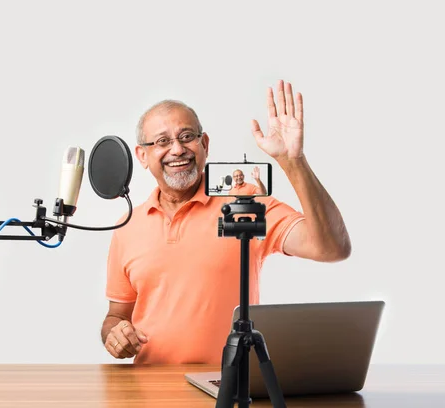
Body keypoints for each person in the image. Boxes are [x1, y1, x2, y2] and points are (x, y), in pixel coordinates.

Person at [101, 80, 351, 364]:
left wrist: (293, 161)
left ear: (204, 144)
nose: (177, 149)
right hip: (152, 389)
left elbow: (332, 248)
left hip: (230, 386)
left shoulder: (245, 204)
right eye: (162, 141)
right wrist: (115, 335)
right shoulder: (127, 225)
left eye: (187, 137)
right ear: (143, 156)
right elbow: (116, 316)